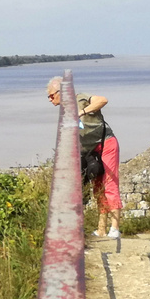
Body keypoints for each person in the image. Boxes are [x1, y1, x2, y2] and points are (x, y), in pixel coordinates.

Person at [47, 76, 121, 238]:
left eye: (51, 95)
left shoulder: (80, 98)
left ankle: (115, 228)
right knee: (97, 188)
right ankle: (101, 229)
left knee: (110, 183)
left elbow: (103, 100)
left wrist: (81, 111)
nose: (50, 99)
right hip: (90, 151)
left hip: (106, 143)